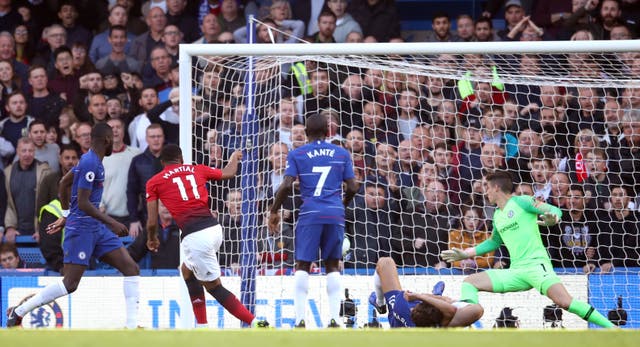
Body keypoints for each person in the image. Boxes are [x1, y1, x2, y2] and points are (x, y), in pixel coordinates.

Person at [441, 171, 615, 328]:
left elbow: (554, 210)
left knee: (564, 302)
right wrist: (465, 253)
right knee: (470, 282)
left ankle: (612, 328)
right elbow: (493, 242)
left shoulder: (522, 201)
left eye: (487, 187)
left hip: (536, 266)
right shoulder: (497, 215)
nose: (485, 191)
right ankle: (467, 317)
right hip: (516, 271)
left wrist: (553, 219)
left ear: (496, 187)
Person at [7, 123, 140, 329]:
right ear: (106, 140)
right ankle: (19, 311)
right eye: (112, 139)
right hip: (82, 230)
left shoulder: (91, 161)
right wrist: (111, 222)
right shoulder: (90, 163)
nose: (113, 143)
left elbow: (63, 183)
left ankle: (132, 328)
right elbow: (84, 202)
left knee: (131, 268)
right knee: (70, 284)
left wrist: (67, 215)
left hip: (95, 228)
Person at [145, 144, 269, 328]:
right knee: (187, 270)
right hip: (214, 229)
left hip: (196, 237)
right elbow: (228, 172)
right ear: (181, 159)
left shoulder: (154, 181)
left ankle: (255, 322)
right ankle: (201, 326)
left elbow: (152, 221)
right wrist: (234, 156)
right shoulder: (196, 169)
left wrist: (151, 238)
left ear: (162, 162)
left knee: (214, 287)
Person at [268, 113, 359, 328]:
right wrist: (341, 204)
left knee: (303, 265)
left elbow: (287, 185)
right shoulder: (341, 153)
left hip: (310, 213)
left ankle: (300, 320)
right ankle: (335, 320)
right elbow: (354, 187)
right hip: (334, 212)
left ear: (306, 133)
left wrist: (273, 211)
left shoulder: (298, 154)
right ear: (328, 132)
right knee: (332, 265)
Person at [369, 257, 483, 327]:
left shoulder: (401, 304)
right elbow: (453, 309)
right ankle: (436, 295)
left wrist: (420, 295)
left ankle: (380, 304)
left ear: (413, 309)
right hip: (416, 322)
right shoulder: (440, 325)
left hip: (397, 319)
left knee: (385, 262)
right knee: (462, 306)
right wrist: (425, 297)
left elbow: (450, 309)